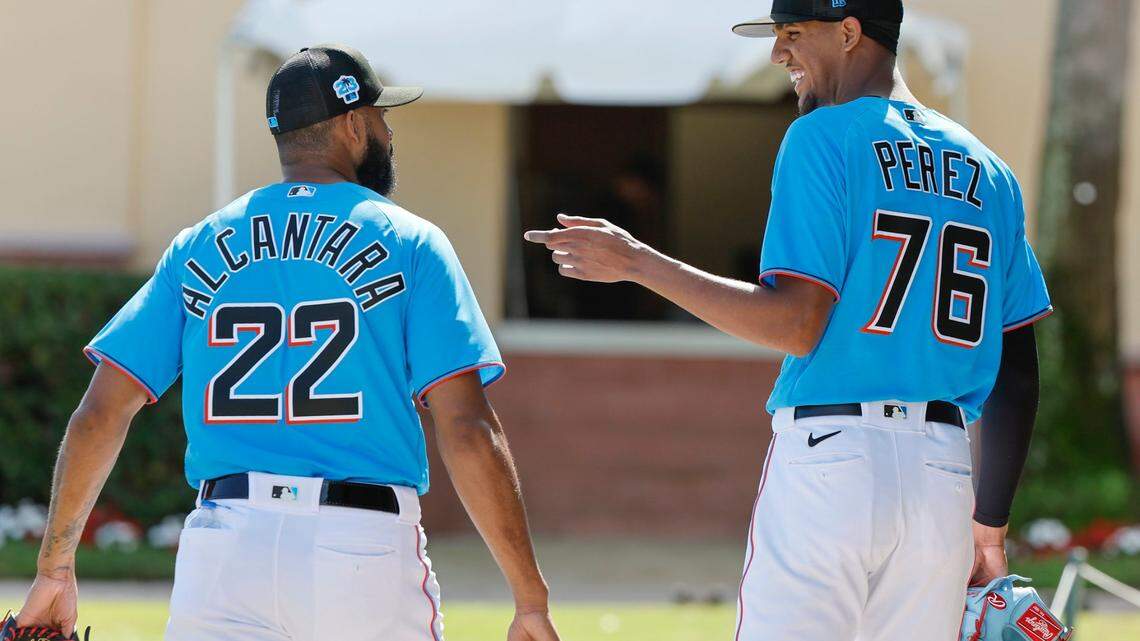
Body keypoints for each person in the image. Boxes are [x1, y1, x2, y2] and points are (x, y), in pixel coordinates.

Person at [525, 1, 1050, 639]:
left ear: (851, 32)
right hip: (941, 474)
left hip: (834, 459)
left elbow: (796, 324)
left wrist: (638, 262)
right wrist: (988, 526)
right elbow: (1018, 371)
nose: (779, 54)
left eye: (794, 33)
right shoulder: (990, 171)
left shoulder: (821, 136)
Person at [17, 44, 560, 641]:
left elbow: (99, 414)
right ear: (354, 124)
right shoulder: (411, 241)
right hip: (360, 550)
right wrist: (529, 600)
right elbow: (466, 429)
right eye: (381, 117)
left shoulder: (198, 243)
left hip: (223, 551)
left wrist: (54, 567)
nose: (387, 132)